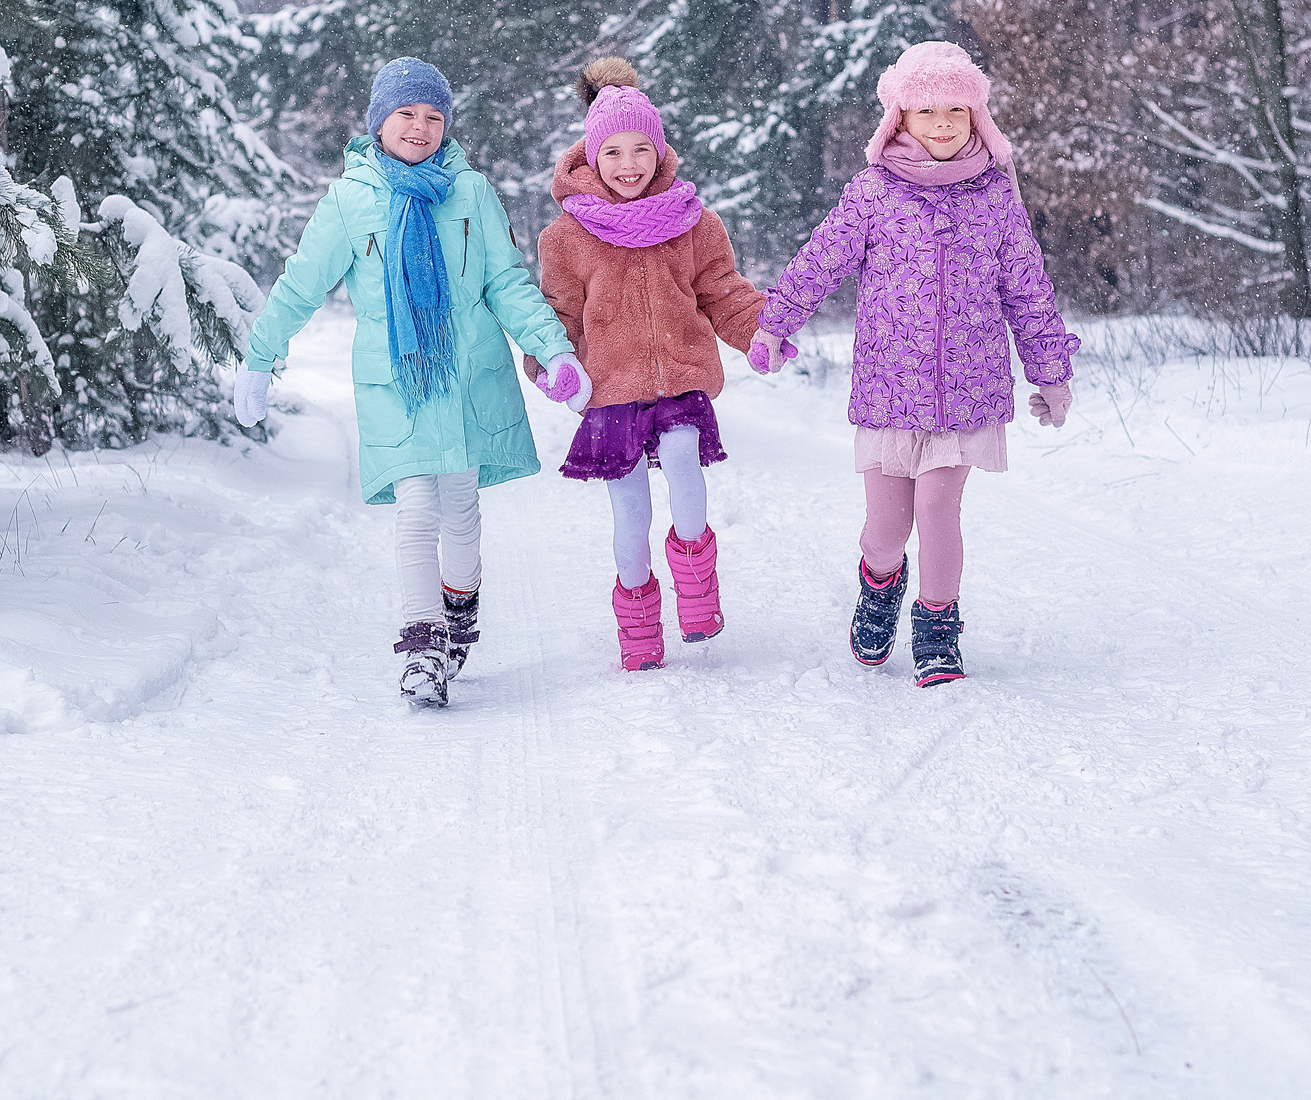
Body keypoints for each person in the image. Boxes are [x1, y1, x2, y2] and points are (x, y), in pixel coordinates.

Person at [236, 57, 587, 708]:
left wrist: (554, 351)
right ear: (378, 122)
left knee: (460, 511)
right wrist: (261, 358)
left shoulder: (471, 191)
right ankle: (422, 644)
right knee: (417, 509)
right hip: (396, 384)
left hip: (468, 381)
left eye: (433, 116)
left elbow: (505, 283)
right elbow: (301, 285)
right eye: (407, 114)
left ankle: (459, 609)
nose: (421, 127)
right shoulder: (349, 201)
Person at [752, 40, 1079, 688]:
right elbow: (823, 259)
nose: (942, 123)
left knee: (937, 508)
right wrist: (777, 322)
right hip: (889, 390)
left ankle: (937, 624)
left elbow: (1028, 289)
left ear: (977, 117)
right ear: (899, 117)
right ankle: (880, 585)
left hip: (968, 390)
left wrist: (1051, 371)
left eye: (957, 109)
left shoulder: (995, 197)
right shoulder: (874, 192)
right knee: (886, 526)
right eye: (926, 109)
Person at [533, 58, 768, 671]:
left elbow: (724, 292)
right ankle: (638, 622)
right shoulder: (567, 236)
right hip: (611, 389)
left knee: (687, 464)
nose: (629, 164)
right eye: (613, 152)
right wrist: (551, 364)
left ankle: (696, 589)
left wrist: (763, 333)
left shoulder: (693, 222)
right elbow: (556, 315)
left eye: (642, 149)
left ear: (660, 151)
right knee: (629, 508)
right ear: (590, 156)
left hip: (680, 376)